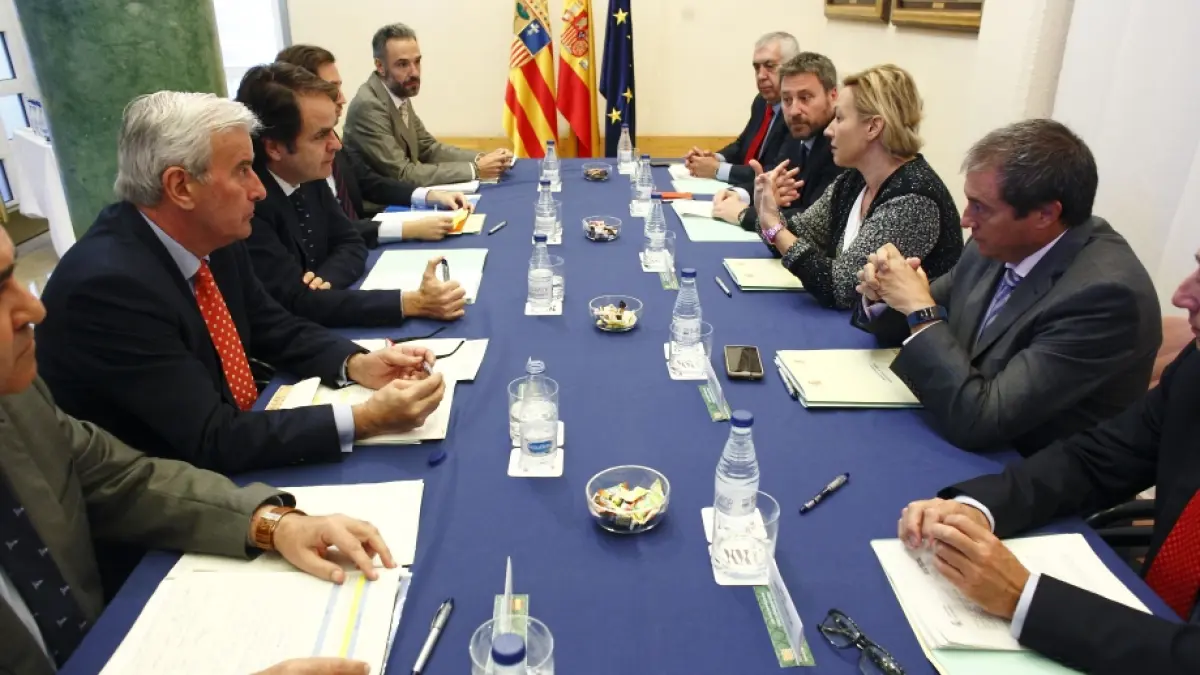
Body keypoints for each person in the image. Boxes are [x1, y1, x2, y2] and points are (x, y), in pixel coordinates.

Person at [0, 226, 391, 675]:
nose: (34, 308)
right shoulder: (107, 281)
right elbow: (212, 436)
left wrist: (272, 524)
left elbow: (120, 478)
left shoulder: (17, 398)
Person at [35, 91, 448, 476]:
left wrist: (356, 363)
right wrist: (365, 419)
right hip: (156, 495)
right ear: (180, 186)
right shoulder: (109, 289)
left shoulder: (213, 235)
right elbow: (211, 437)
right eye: (243, 171)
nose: (259, 190)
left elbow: (272, 324)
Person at [894, 252, 1200, 673]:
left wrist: (1023, 599)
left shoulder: (1105, 288)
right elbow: (1096, 458)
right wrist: (978, 508)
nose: (1182, 295)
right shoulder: (1194, 369)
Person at [854, 119, 1160, 455]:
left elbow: (980, 422)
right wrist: (885, 293)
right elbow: (914, 323)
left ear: (1045, 215)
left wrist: (920, 310)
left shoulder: (1105, 298)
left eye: (980, 207)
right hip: (957, 429)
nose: (965, 220)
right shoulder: (994, 245)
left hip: (1030, 466)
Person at [236, 63, 467, 328]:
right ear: (275, 148)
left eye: (333, 130)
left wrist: (324, 282)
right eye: (321, 135)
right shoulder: (249, 204)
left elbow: (350, 242)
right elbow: (293, 303)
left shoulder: (307, 174)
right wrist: (410, 302)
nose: (337, 144)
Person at [753, 64, 962, 309]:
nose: (829, 130)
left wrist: (774, 226)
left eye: (839, 118)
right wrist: (768, 213)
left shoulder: (913, 198)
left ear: (873, 127)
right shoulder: (853, 181)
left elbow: (841, 289)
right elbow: (795, 235)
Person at [275, 44, 470, 247]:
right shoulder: (297, 160)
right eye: (331, 89)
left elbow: (368, 181)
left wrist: (428, 195)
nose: (342, 98)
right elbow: (330, 230)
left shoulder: (332, 138)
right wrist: (407, 229)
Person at [344, 23, 511, 186]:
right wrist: (475, 170)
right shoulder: (369, 106)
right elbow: (403, 174)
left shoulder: (398, 92)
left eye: (417, 61)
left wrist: (483, 159)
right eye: (403, 64)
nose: (414, 72)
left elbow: (428, 148)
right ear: (380, 66)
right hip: (376, 202)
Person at [710, 51, 845, 226]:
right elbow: (774, 181)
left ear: (833, 96)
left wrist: (744, 214)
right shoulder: (798, 131)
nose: (794, 111)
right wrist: (738, 194)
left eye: (805, 98)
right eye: (787, 100)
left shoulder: (841, 144)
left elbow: (815, 221)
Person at [684, 32, 797, 185]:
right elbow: (743, 145)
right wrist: (714, 158)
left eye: (770, 66)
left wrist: (717, 169)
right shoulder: (761, 102)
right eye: (757, 68)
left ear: (792, 68)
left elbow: (777, 171)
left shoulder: (796, 113)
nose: (761, 76)